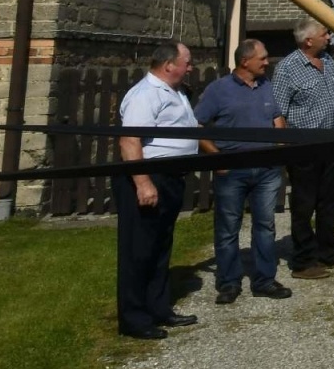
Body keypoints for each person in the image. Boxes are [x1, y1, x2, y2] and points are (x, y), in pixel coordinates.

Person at [196, 38, 293, 303]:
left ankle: (265, 280)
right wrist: (217, 158)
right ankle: (228, 283)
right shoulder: (218, 90)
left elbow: (276, 117)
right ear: (245, 61)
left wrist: (280, 148)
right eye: (262, 58)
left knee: (265, 225)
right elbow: (198, 125)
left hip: (266, 170)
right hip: (232, 170)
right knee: (228, 228)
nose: (266, 62)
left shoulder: (266, 86)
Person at [115, 41, 201, 340]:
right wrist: (143, 183)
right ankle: (134, 319)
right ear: (168, 65)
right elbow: (130, 141)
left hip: (170, 178)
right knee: (139, 250)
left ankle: (159, 308)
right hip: (149, 177)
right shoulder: (146, 94)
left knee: (160, 247)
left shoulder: (174, 92)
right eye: (187, 62)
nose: (190, 67)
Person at [272, 17, 334, 279]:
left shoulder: (329, 62)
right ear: (308, 40)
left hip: (330, 142)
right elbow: (278, 112)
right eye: (325, 33)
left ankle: (328, 252)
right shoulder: (288, 68)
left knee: (329, 201)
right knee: (304, 203)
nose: (329, 37)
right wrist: (285, 146)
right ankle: (303, 261)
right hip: (304, 145)